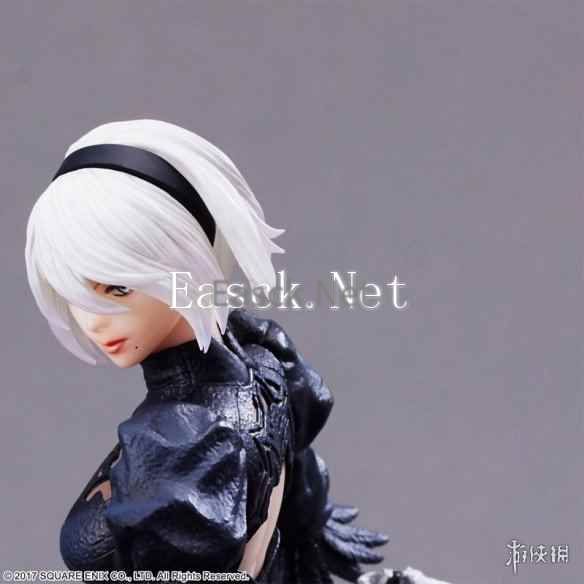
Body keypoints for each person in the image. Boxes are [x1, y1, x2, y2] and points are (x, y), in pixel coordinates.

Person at [24, 119, 395, 583]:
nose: (93, 319)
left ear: (181, 259)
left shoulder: (184, 438)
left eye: (118, 288)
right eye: (74, 294)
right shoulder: (263, 360)